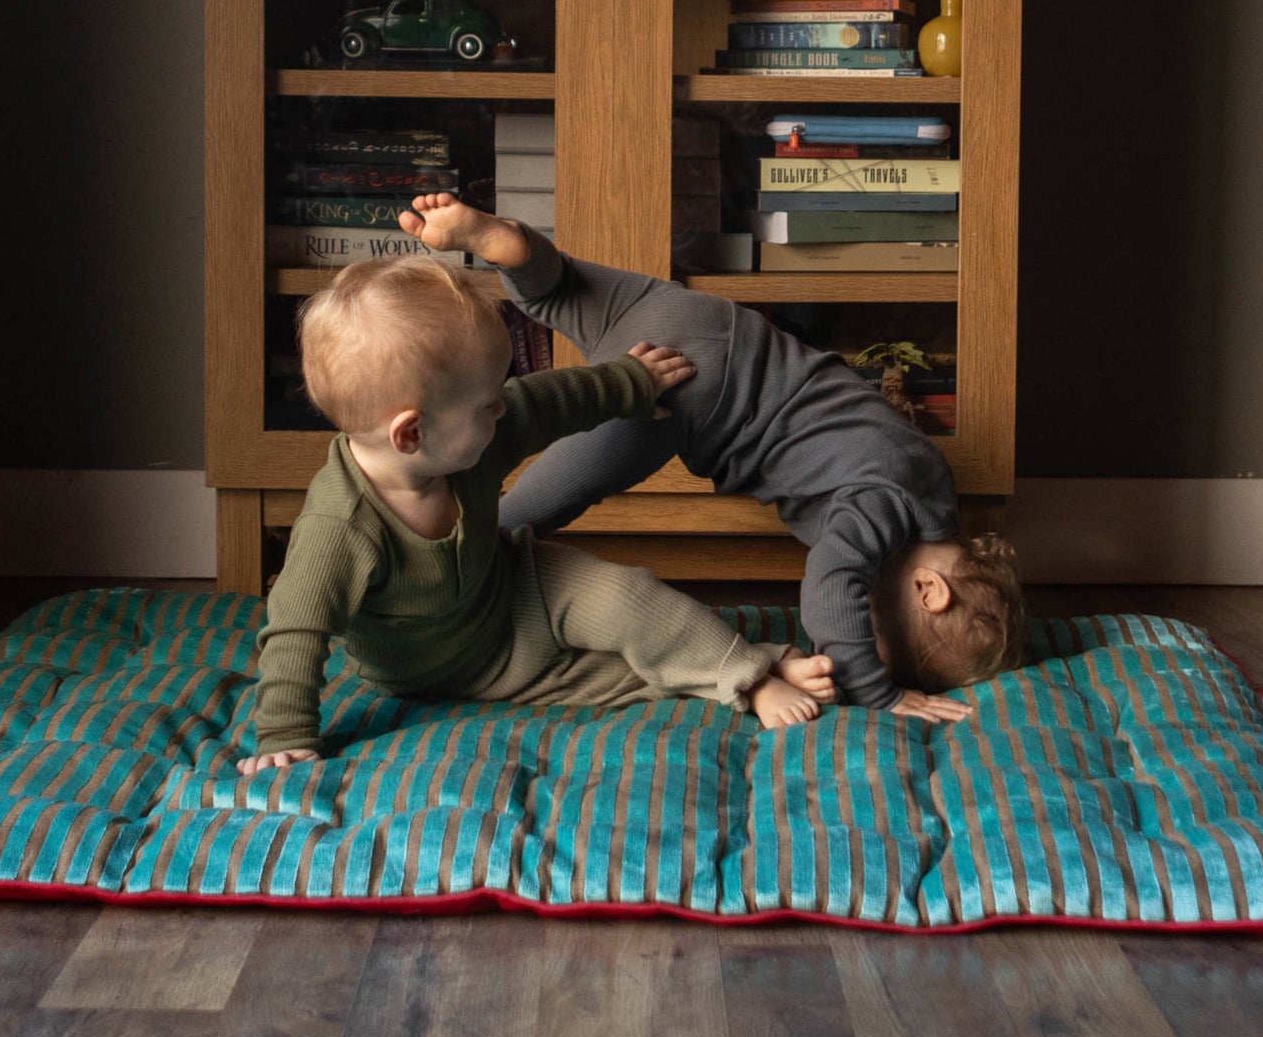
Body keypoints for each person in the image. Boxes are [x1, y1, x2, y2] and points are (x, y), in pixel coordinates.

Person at [396, 200, 1024, 718]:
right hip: (692, 389)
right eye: (882, 636)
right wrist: (880, 691)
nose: (859, 639)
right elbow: (831, 587)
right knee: (522, 517)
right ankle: (428, 578)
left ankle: (506, 245)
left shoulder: (931, 487)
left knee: (565, 293)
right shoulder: (883, 510)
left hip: (712, 325)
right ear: (928, 590)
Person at [240, 256, 836, 769]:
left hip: (513, 585)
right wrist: (285, 735)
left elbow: (546, 402)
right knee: (626, 674)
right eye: (487, 403)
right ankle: (746, 675)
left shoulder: (466, 436)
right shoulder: (338, 527)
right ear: (410, 433)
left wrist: (628, 381)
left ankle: (746, 671)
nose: (502, 408)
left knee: (625, 597)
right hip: (441, 669)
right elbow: (297, 629)